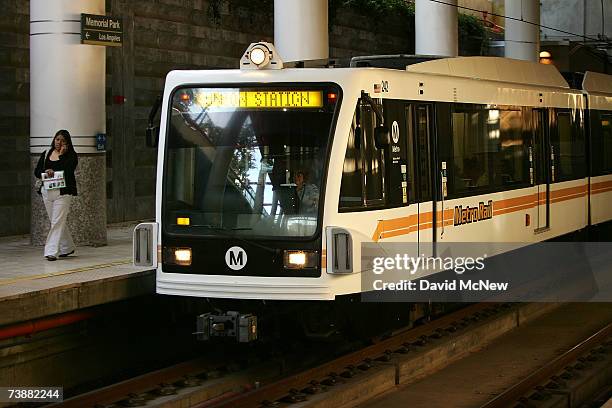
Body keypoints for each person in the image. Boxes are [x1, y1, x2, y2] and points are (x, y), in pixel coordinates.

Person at [34, 129, 78, 261]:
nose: (59, 142)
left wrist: (62, 156)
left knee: (57, 221)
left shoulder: (71, 156)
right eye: (57, 139)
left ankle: (51, 251)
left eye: (63, 140)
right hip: (47, 191)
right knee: (57, 221)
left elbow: (67, 170)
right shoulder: (46, 153)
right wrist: (46, 171)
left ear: (68, 143)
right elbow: (37, 172)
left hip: (63, 193)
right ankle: (67, 247)